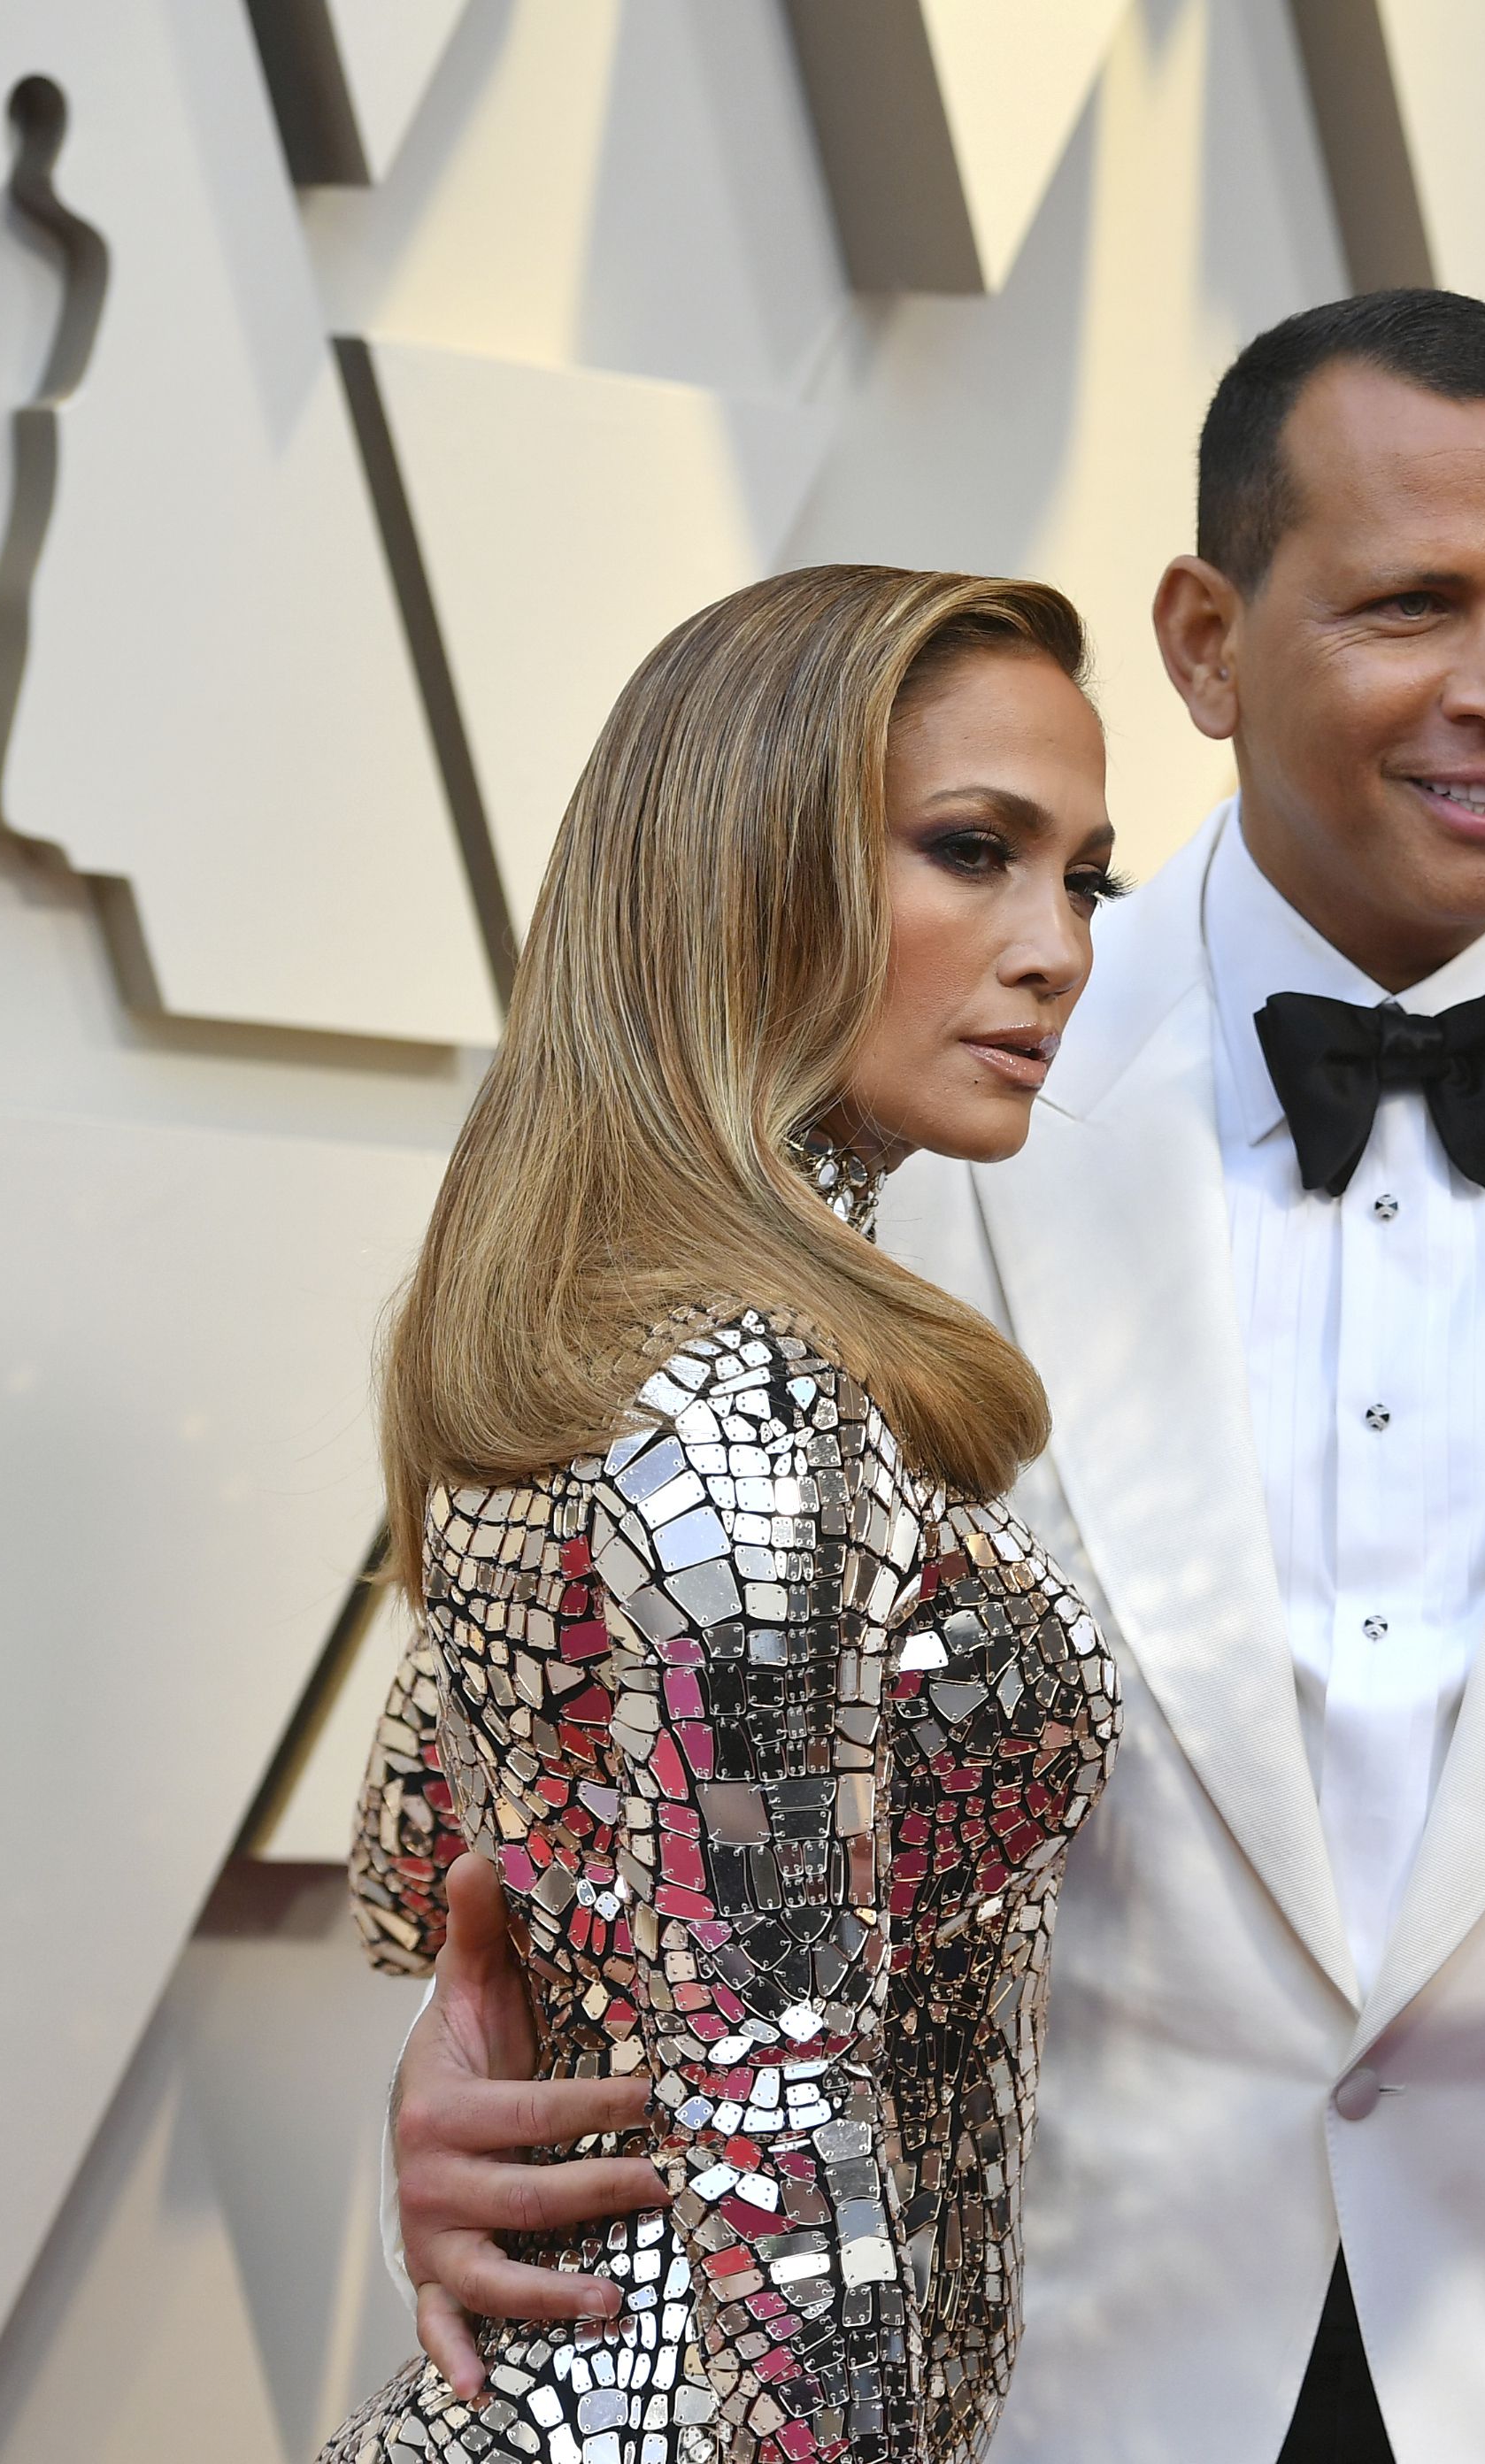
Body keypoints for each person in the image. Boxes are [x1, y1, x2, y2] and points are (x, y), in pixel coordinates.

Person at [387, 291, 1485, 2463]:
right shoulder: (923, 1084)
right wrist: (471, 2103)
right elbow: (633, 1779)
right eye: (1413, 605)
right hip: (1036, 2398)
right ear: (1206, 640)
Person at [325, 566, 1127, 2461]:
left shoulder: (613, 1341)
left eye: (1083, 877)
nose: (1059, 948)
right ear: (746, 864)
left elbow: (422, 1859)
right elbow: (779, 2101)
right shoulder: (749, 1398)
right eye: (971, 852)